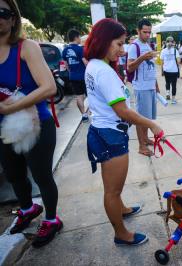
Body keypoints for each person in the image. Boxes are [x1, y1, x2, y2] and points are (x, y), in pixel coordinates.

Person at [85, 18, 163, 246]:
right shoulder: (104, 72)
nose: (122, 50)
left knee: (113, 188)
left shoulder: (93, 64)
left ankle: (123, 208)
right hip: (111, 134)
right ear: (103, 41)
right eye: (118, 44)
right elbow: (123, 111)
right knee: (112, 190)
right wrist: (152, 124)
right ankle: (121, 233)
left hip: (100, 130)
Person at [0, 0, 62, 247]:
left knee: (41, 176)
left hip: (37, 126)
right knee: (14, 175)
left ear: (13, 18)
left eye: (3, 13)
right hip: (4, 129)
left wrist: (11, 107)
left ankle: (52, 218)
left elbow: (50, 87)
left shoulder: (26, 47)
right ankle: (27, 209)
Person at [127, 19, 160, 157]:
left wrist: (156, 84)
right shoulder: (135, 46)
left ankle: (146, 139)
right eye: (144, 32)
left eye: (149, 32)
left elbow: (151, 67)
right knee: (140, 119)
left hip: (150, 86)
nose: (147, 34)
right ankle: (141, 146)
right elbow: (129, 67)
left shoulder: (148, 44)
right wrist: (141, 58)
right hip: (141, 87)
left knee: (147, 117)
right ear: (138, 31)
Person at [62, 29, 89, 122]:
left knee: (79, 97)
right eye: (79, 37)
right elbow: (85, 62)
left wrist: (72, 71)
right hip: (83, 76)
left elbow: (66, 66)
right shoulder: (79, 49)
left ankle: (84, 115)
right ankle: (94, 113)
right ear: (76, 37)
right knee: (90, 96)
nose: (80, 39)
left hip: (73, 77)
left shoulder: (65, 50)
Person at [160, 36, 180, 104]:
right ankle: (173, 100)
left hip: (166, 70)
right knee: (174, 85)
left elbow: (162, 62)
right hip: (174, 70)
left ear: (166, 42)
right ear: (173, 42)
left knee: (167, 82)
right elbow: (178, 61)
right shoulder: (175, 50)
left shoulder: (163, 51)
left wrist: (161, 71)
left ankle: (167, 93)